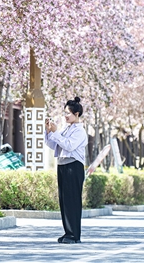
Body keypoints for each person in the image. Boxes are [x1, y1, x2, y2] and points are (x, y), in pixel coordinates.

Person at [45, 96, 87, 244]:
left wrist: (56, 133)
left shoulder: (80, 131)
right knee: (64, 201)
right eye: (64, 113)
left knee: (72, 201)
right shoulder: (65, 128)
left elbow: (69, 146)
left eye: (68, 113)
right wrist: (49, 132)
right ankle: (68, 232)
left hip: (73, 166)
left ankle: (74, 235)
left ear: (77, 114)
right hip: (62, 165)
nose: (65, 116)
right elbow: (53, 145)